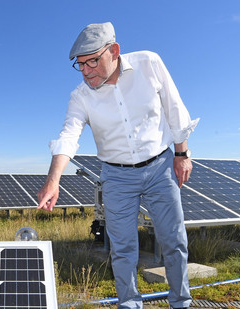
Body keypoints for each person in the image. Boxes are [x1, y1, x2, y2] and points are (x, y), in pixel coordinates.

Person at [37, 22, 198, 309]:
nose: (86, 71)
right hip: (116, 176)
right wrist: (53, 179)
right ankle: (129, 304)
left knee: (174, 241)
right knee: (123, 249)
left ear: (114, 51)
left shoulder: (149, 63)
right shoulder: (80, 96)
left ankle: (181, 302)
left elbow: (175, 108)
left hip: (160, 167)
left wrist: (181, 154)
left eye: (92, 61)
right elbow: (68, 136)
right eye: (80, 65)